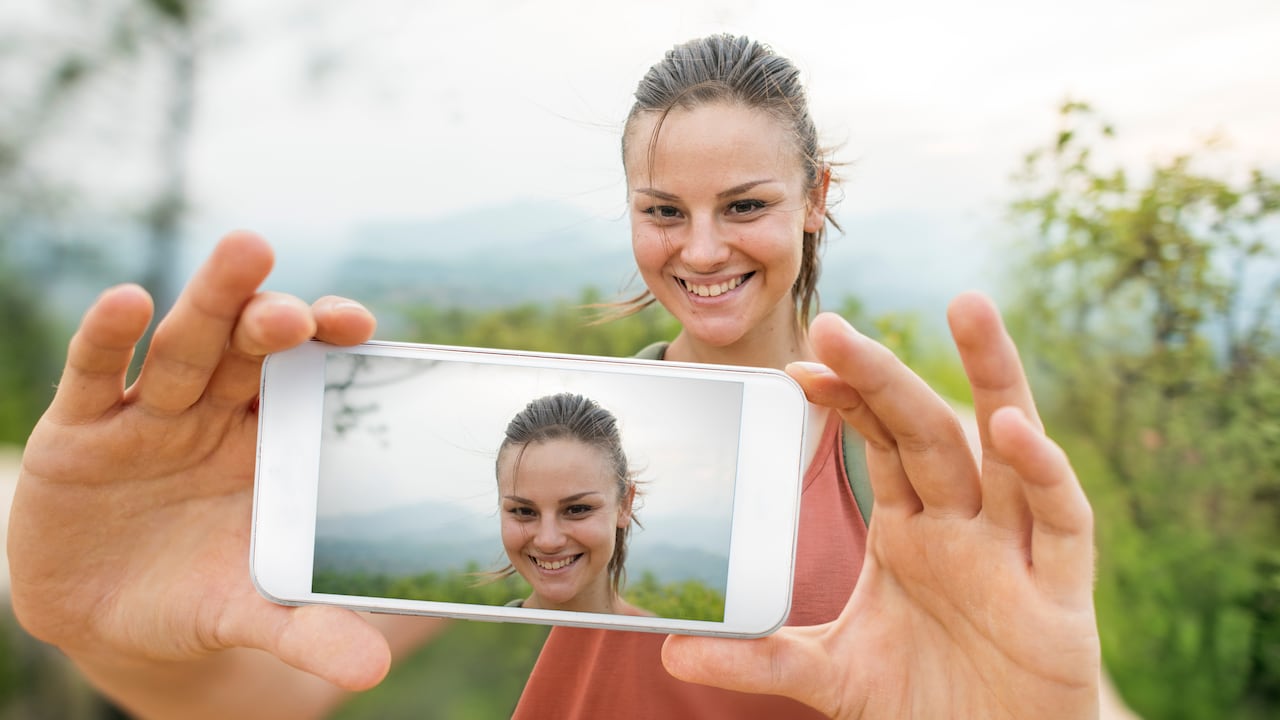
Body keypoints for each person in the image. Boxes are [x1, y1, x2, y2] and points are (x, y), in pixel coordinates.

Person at [6, 33, 1100, 719]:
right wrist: (104, 630)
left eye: (747, 205)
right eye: (663, 211)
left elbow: (1037, 679)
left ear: (813, 197)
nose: (702, 249)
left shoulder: (920, 464)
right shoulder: (574, 432)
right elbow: (278, 681)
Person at [492, 392, 647, 616]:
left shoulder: (669, 646)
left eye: (577, 510)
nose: (548, 541)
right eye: (524, 511)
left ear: (624, 505)